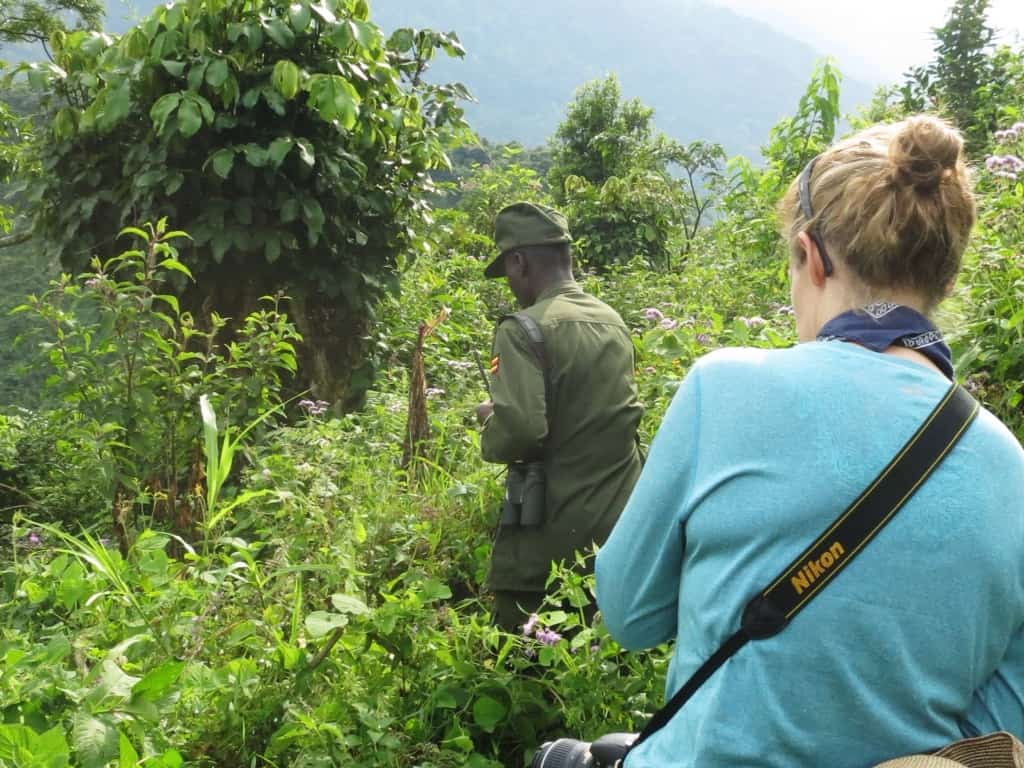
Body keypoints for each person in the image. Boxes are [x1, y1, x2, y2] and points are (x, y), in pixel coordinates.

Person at [595, 116, 1024, 767]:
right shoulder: (1010, 468)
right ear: (943, 277)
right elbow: (1003, 723)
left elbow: (628, 614)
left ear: (812, 256)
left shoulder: (725, 388)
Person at [475, 201, 644, 632]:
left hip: (550, 530)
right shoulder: (612, 322)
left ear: (519, 261)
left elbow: (522, 431)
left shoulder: (522, 329)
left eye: (509, 271)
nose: (510, 283)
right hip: (618, 523)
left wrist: (490, 421)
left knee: (527, 656)